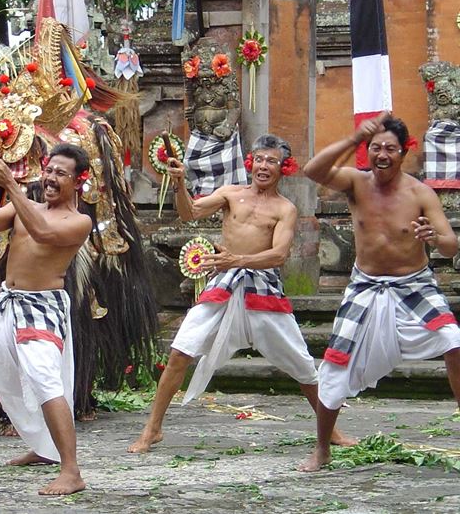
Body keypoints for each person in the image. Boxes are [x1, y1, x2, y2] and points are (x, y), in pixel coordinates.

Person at [128, 134, 353, 455]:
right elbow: (189, 212)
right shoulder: (231, 194)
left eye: (271, 161)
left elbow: (278, 255)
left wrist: (238, 260)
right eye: (259, 159)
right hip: (223, 286)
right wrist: (179, 184)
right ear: (251, 162)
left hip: (263, 290)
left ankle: (331, 431)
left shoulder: (285, 209)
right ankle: (152, 429)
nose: (264, 166)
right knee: (180, 350)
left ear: (283, 167)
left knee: (303, 366)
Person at [299, 113, 460, 471]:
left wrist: (435, 238)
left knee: (454, 340)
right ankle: (322, 447)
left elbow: (450, 245)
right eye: (375, 148)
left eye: (390, 148)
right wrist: (354, 137)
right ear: (366, 151)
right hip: (365, 286)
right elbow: (312, 170)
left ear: (404, 153)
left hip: (414, 284)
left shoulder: (421, 192)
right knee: (335, 364)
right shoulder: (356, 183)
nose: (382, 154)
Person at [0, 143, 91, 495]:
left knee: (45, 380)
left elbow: (44, 234)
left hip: (43, 307)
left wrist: (10, 186)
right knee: (7, 381)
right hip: (9, 303)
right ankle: (44, 448)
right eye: (49, 170)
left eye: (60, 173)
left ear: (78, 181)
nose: (50, 178)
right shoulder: (25, 207)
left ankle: (72, 470)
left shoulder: (78, 222)